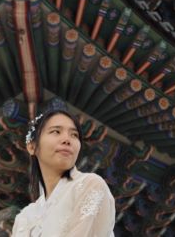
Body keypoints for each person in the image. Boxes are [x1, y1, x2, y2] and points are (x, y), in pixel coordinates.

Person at [12, 102, 115, 237]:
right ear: (32, 147)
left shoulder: (90, 185)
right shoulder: (24, 218)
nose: (67, 139)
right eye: (56, 131)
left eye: (74, 135)